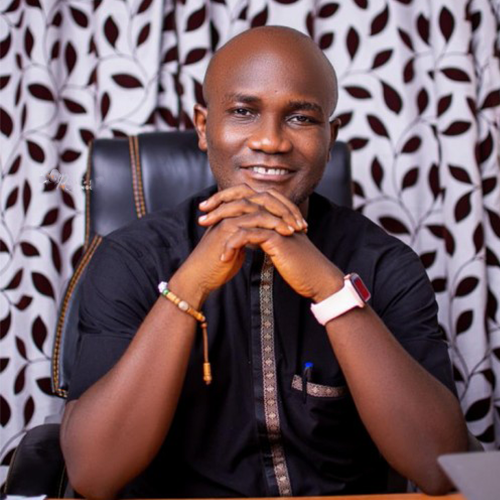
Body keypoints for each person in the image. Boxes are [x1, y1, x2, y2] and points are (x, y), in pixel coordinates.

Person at [60, 26, 468, 499]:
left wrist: (332, 292)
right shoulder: (131, 259)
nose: (271, 141)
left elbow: (440, 468)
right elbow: (94, 473)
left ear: (330, 136)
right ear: (202, 126)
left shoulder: (384, 264)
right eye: (243, 112)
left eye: (300, 118)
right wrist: (188, 285)